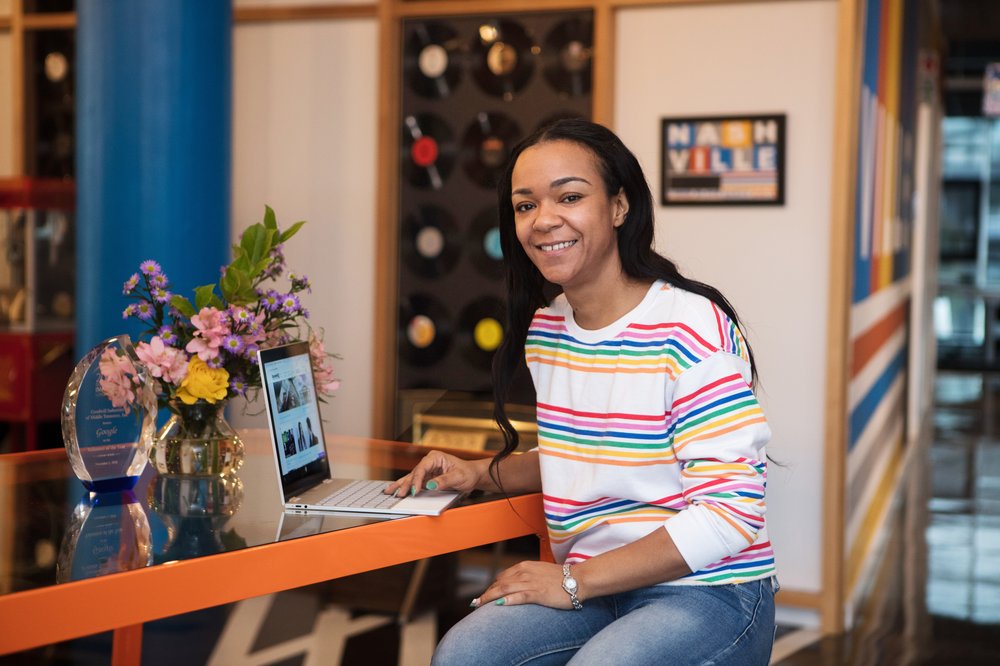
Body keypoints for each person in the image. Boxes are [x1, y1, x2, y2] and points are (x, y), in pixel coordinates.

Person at [387, 119, 777, 665]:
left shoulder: (690, 326)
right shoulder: (548, 330)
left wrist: (575, 582)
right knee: (463, 655)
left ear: (619, 207)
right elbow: (586, 454)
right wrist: (481, 473)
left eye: (569, 196)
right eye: (525, 206)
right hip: (596, 589)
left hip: (709, 591)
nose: (544, 220)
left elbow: (733, 511)